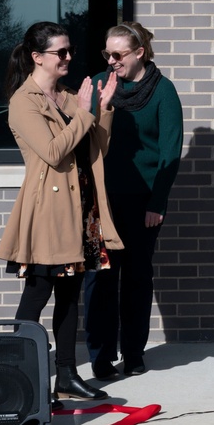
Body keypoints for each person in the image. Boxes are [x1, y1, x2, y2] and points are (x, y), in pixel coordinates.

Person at [0, 22, 119, 401]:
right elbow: (53, 153)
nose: (69, 57)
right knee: (38, 292)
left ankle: (66, 375)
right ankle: (16, 373)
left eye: (70, 50)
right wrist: (84, 113)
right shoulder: (24, 101)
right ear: (37, 57)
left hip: (80, 207)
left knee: (70, 295)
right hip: (48, 210)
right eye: (60, 52)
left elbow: (95, 148)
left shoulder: (67, 96)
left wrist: (105, 108)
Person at [83, 21, 184, 378]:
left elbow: (170, 152)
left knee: (137, 277)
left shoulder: (163, 91)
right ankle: (100, 354)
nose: (111, 60)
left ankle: (134, 353)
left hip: (142, 202)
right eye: (106, 53)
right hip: (101, 200)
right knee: (100, 278)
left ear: (139, 53)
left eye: (118, 54)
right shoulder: (97, 84)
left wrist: (157, 203)